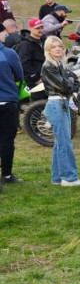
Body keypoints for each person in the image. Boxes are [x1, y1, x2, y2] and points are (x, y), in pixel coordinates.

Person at [40, 36, 80, 186]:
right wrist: (70, 81)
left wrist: (70, 81)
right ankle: (69, 177)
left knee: (61, 143)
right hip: (56, 104)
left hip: (62, 103)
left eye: (59, 46)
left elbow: (74, 82)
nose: (58, 49)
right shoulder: (49, 66)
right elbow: (66, 86)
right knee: (65, 143)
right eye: (53, 47)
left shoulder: (59, 64)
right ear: (48, 49)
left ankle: (57, 177)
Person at [0, 38, 24, 188]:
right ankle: (6, 175)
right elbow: (20, 75)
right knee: (7, 140)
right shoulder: (8, 53)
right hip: (7, 101)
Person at [14, 19, 45, 88]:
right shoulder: (25, 44)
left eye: (42, 27)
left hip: (44, 76)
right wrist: (36, 78)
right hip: (33, 81)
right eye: (37, 28)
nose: (41, 30)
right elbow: (24, 64)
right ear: (30, 28)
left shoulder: (44, 40)